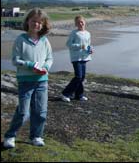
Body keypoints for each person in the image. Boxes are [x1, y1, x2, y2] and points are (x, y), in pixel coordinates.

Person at [3, 8, 53, 148]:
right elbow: (15, 60)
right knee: (23, 111)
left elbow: (49, 58)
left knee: (41, 111)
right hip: (25, 80)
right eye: (33, 21)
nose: (36, 24)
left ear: (43, 25)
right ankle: (10, 136)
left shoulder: (44, 41)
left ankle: (36, 136)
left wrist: (46, 68)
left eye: (39, 22)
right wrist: (31, 65)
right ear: (27, 22)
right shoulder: (20, 39)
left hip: (42, 81)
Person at [61, 15, 93, 102]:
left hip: (84, 57)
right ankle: (65, 94)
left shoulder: (88, 33)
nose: (80, 24)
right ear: (76, 24)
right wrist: (81, 46)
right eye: (78, 22)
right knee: (78, 77)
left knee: (82, 77)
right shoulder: (74, 33)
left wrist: (90, 50)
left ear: (85, 22)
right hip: (76, 58)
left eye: (82, 22)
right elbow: (68, 44)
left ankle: (79, 95)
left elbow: (88, 45)